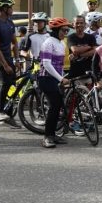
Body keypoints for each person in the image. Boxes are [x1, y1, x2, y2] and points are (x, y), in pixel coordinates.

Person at [37, 17, 73, 148]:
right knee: (54, 106)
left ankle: (52, 134)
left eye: (67, 31)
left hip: (55, 78)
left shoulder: (61, 43)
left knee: (57, 106)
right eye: (63, 30)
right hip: (45, 78)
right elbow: (46, 64)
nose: (65, 33)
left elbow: (60, 65)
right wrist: (61, 79)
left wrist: (62, 77)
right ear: (56, 30)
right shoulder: (48, 43)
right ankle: (47, 137)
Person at [0, 0, 21, 127]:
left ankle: (8, 114)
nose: (12, 9)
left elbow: (14, 43)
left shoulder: (9, 22)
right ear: (4, 8)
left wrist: (17, 60)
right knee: (5, 82)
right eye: (11, 7)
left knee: (13, 85)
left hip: (8, 57)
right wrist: (5, 65)